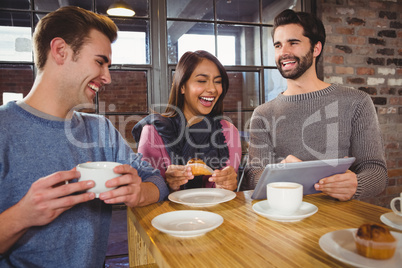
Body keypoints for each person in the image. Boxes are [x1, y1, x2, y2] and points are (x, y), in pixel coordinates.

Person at [0, 6, 168, 267]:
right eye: (100, 62)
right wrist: (23, 215)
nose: (108, 77)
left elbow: (157, 180)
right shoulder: (3, 129)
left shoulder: (100, 130)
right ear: (60, 51)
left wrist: (140, 193)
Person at [242, 9, 387, 201]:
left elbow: (376, 171)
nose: (284, 52)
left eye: (293, 43)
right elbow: (253, 177)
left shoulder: (356, 102)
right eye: (278, 45)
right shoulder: (263, 114)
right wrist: (280, 172)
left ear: (316, 49)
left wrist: (357, 185)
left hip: (340, 221)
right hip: (284, 219)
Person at [132, 50, 241, 192]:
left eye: (218, 82)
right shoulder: (153, 131)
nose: (212, 89)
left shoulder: (228, 132)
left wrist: (228, 184)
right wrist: (165, 183)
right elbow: (144, 190)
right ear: (182, 86)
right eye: (202, 81)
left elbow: (224, 193)